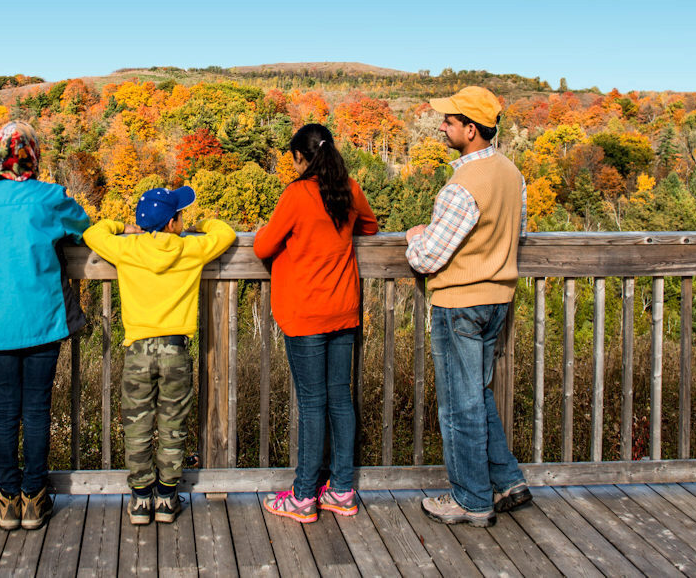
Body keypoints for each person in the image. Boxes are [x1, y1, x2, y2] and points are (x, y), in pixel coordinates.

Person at [0, 121, 91, 531]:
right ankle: (34, 498)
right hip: (45, 320)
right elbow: (83, 229)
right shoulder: (51, 198)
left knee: (6, 411)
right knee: (36, 409)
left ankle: (7, 500)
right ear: (33, 154)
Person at [404, 86, 530, 528]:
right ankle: (508, 481)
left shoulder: (462, 187)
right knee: (476, 395)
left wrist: (413, 236)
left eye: (449, 121)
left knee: (459, 405)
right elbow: (518, 232)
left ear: (471, 129)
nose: (441, 127)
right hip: (498, 299)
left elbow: (427, 258)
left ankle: (471, 501)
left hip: (460, 303)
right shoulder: (512, 174)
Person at [82, 187, 236, 526]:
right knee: (172, 424)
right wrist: (203, 224)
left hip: (137, 349)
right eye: (181, 216)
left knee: (137, 426)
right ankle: (166, 497)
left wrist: (125, 228)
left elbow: (93, 232)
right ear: (172, 224)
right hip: (175, 350)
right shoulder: (190, 248)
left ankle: (140, 499)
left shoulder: (126, 249)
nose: (184, 219)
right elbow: (225, 233)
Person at [253, 124, 378, 523]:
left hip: (305, 311)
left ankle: (304, 495)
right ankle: (341, 490)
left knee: (312, 404)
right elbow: (371, 226)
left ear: (300, 158)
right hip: (343, 308)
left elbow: (263, 245)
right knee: (339, 398)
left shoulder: (297, 193)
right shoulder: (348, 188)